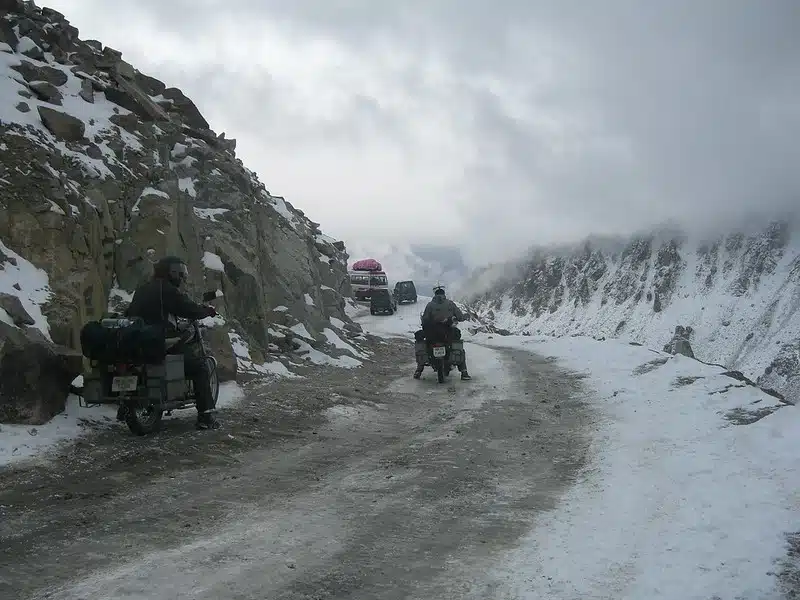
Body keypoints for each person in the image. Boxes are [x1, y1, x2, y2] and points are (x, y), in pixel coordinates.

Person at [125, 256, 221, 430]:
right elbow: (187, 308)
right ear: (172, 272)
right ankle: (206, 417)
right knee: (199, 367)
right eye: (180, 272)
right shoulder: (167, 290)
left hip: (138, 341)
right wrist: (207, 311)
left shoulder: (142, 289)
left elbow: (131, 312)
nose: (182, 277)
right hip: (160, 342)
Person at [416, 286, 471, 380]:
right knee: (458, 346)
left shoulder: (430, 305)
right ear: (444, 294)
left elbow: (425, 319)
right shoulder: (450, 304)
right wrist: (461, 317)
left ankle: (418, 370)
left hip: (432, 335)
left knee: (424, 346)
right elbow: (460, 317)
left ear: (435, 294)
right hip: (447, 334)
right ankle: (464, 372)